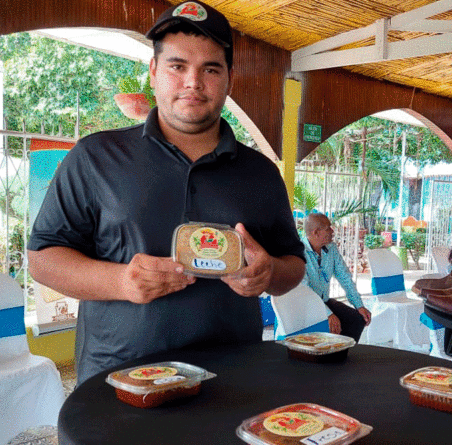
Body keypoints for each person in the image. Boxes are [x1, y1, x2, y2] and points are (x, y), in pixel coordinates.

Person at [26, 1, 306, 385]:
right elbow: (42, 260)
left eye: (211, 68)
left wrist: (269, 271)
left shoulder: (261, 174)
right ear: (154, 72)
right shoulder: (96, 157)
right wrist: (122, 281)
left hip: (231, 381)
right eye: (177, 66)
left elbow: (294, 264)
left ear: (230, 79)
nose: (193, 82)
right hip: (118, 381)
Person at [301, 213, 371, 342]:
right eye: (328, 228)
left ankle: (341, 355)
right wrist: (327, 313)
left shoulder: (331, 248)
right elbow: (304, 290)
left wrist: (359, 305)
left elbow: (345, 277)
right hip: (306, 306)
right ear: (316, 232)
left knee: (357, 319)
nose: (332, 231)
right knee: (331, 325)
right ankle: (329, 356)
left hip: (324, 301)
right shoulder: (299, 252)